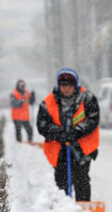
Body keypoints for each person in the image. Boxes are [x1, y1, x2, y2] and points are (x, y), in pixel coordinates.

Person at [37, 67, 99, 201]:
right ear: (58, 85)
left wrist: (77, 131)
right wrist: (60, 133)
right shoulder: (48, 102)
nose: (66, 88)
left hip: (82, 149)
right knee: (61, 181)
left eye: (69, 85)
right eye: (63, 85)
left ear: (75, 84)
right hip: (59, 150)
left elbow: (93, 119)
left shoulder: (87, 98)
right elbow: (42, 125)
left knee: (81, 179)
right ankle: (63, 211)